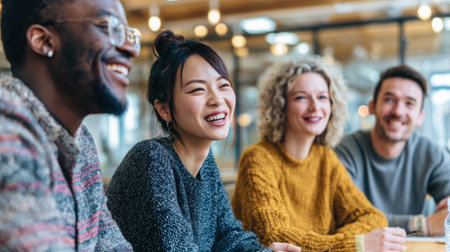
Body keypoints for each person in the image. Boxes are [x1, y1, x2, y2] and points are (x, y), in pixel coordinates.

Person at [105, 30, 300, 252]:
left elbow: (228, 236)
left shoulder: (205, 164)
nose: (217, 99)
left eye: (223, 85)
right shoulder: (151, 159)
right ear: (164, 109)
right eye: (198, 89)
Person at [0, 0, 140, 250]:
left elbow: (111, 244)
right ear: (43, 41)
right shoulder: (7, 130)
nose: (131, 48)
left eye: (129, 35)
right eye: (107, 27)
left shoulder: (81, 141)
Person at [232, 57, 407, 251]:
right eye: (301, 97)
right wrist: (356, 244)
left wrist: (330, 246)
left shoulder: (325, 157)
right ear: (280, 106)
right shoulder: (257, 159)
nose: (315, 107)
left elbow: (373, 217)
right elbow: (273, 236)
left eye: (322, 97)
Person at [334, 65, 450, 236]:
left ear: (420, 117)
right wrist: (423, 224)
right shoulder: (346, 152)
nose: (398, 111)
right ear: (372, 107)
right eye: (389, 100)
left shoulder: (431, 153)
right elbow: (347, 218)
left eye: (409, 103)